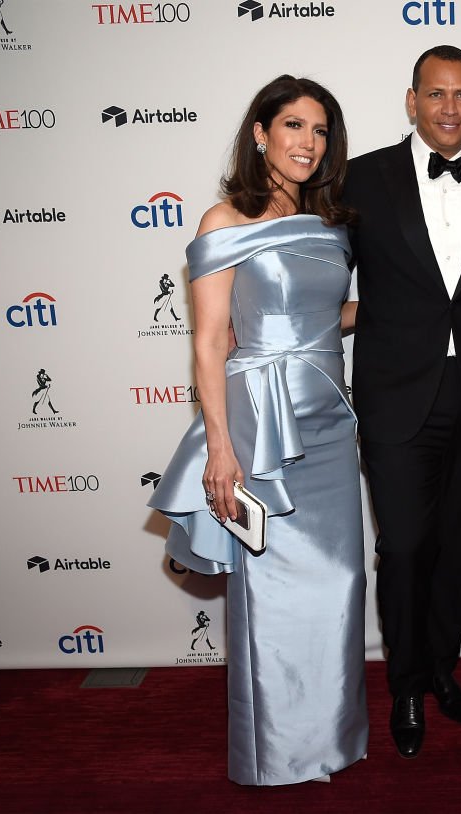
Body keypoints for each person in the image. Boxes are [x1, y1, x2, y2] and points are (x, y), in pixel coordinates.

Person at [148, 75, 367, 785]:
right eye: (294, 126)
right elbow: (210, 340)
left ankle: (330, 740)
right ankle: (276, 753)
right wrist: (219, 445)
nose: (308, 142)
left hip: (329, 419)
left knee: (340, 582)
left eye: (320, 130)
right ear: (261, 133)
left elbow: (324, 314)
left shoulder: (333, 223)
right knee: (269, 588)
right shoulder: (224, 222)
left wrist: (397, 309)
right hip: (260, 423)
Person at [342, 45, 461, 759]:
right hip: (393, 395)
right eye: (437, 94)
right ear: (412, 100)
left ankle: (444, 671)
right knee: (406, 545)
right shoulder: (361, 179)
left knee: (457, 549)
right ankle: (407, 688)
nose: (451, 108)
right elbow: (310, 258)